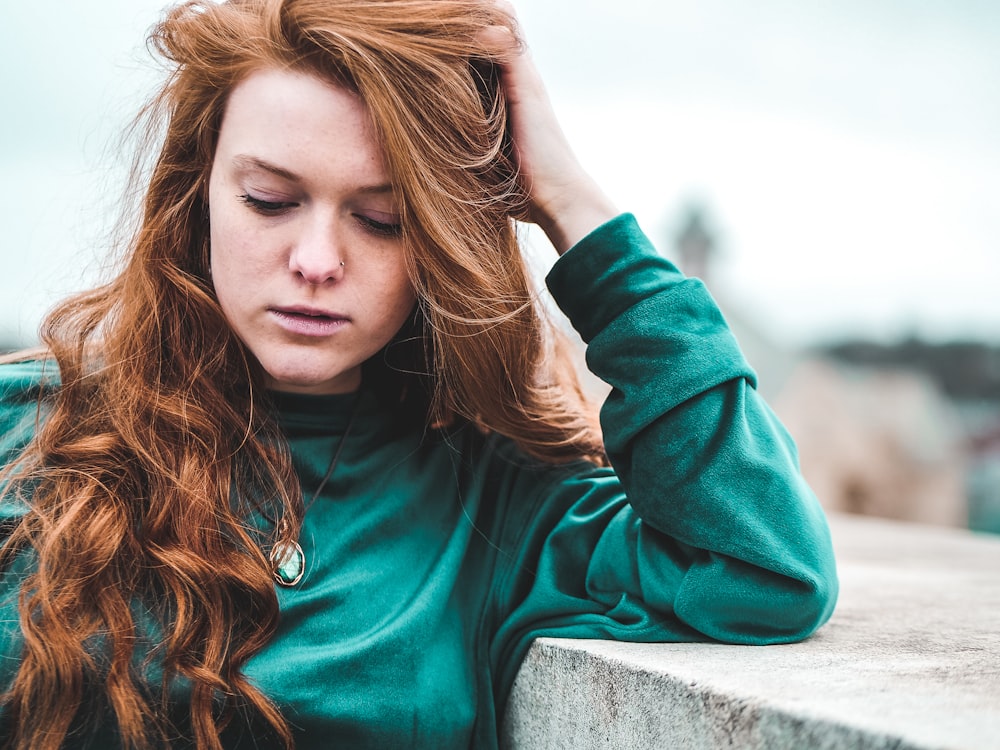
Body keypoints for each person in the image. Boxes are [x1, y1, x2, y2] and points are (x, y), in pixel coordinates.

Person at [0, 0, 838, 747]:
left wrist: (572, 204)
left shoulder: (497, 507)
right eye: (269, 200)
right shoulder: (27, 436)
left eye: (382, 219)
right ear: (199, 194)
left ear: (437, 240)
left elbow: (766, 568)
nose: (318, 260)